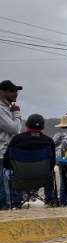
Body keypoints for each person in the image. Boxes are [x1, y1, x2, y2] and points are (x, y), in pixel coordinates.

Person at [4, 114, 57, 206]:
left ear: (27, 125)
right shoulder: (48, 141)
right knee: (51, 172)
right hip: (43, 178)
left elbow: (7, 161)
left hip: (20, 178)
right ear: (42, 127)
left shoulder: (16, 139)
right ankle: (50, 199)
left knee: (7, 172)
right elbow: (52, 164)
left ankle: (16, 202)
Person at [0, 80, 23, 209]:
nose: (16, 94)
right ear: (2, 92)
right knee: (2, 189)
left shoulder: (7, 108)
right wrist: (17, 114)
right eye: (12, 91)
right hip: (1, 154)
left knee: (7, 187)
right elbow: (15, 130)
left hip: (7, 154)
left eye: (16, 91)